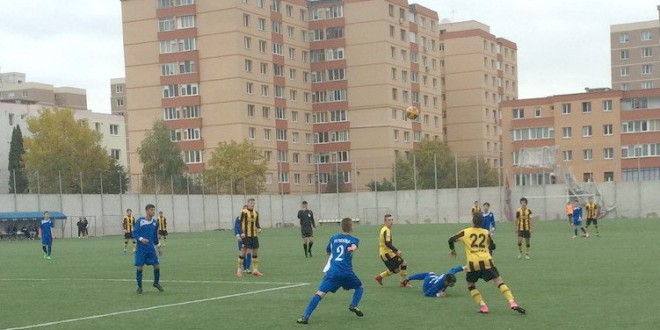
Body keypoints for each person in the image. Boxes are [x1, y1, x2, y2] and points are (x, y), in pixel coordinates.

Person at [449, 213, 525, 314]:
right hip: (487, 261)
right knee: (499, 282)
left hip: (473, 263)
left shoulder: (465, 232)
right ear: (482, 222)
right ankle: (512, 302)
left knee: (470, 285)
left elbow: (451, 240)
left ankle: (483, 306)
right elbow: (492, 246)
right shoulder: (486, 232)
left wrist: (453, 250)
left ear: (472, 221)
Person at [296, 217, 365, 324]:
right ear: (351, 228)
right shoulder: (353, 239)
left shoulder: (333, 238)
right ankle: (353, 305)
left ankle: (305, 317)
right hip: (346, 272)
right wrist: (352, 249)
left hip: (333, 272)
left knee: (319, 294)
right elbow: (354, 246)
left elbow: (328, 251)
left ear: (341, 227)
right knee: (360, 287)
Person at [133, 204, 164, 294]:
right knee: (139, 267)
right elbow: (134, 233)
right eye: (151, 210)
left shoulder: (155, 223)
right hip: (141, 249)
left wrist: (158, 247)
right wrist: (141, 239)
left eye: (154, 210)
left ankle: (156, 283)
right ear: (146, 211)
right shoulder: (140, 221)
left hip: (150, 249)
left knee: (157, 265)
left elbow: (155, 237)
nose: (153, 212)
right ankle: (139, 287)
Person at [374, 214, 411, 287]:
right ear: (385, 221)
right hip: (387, 253)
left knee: (396, 270)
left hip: (385, 253)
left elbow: (387, 243)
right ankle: (403, 283)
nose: (391, 222)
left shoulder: (384, 229)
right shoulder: (386, 230)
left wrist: (393, 251)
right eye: (389, 220)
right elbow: (387, 243)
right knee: (403, 263)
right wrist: (396, 250)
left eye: (392, 220)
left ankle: (380, 277)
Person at [236, 198, 263, 276]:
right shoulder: (243, 212)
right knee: (243, 252)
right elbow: (239, 224)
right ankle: (239, 270)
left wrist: (259, 228)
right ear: (248, 203)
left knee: (255, 252)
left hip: (254, 236)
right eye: (251, 203)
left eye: (253, 203)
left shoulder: (256, 213)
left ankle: (255, 269)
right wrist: (241, 233)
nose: (252, 204)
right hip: (246, 236)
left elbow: (257, 224)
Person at [233, 205, 251, 273]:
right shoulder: (239, 218)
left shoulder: (251, 218)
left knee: (249, 251)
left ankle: (248, 268)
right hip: (242, 238)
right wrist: (238, 235)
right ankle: (244, 267)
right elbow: (236, 227)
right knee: (243, 252)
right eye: (244, 210)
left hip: (249, 237)